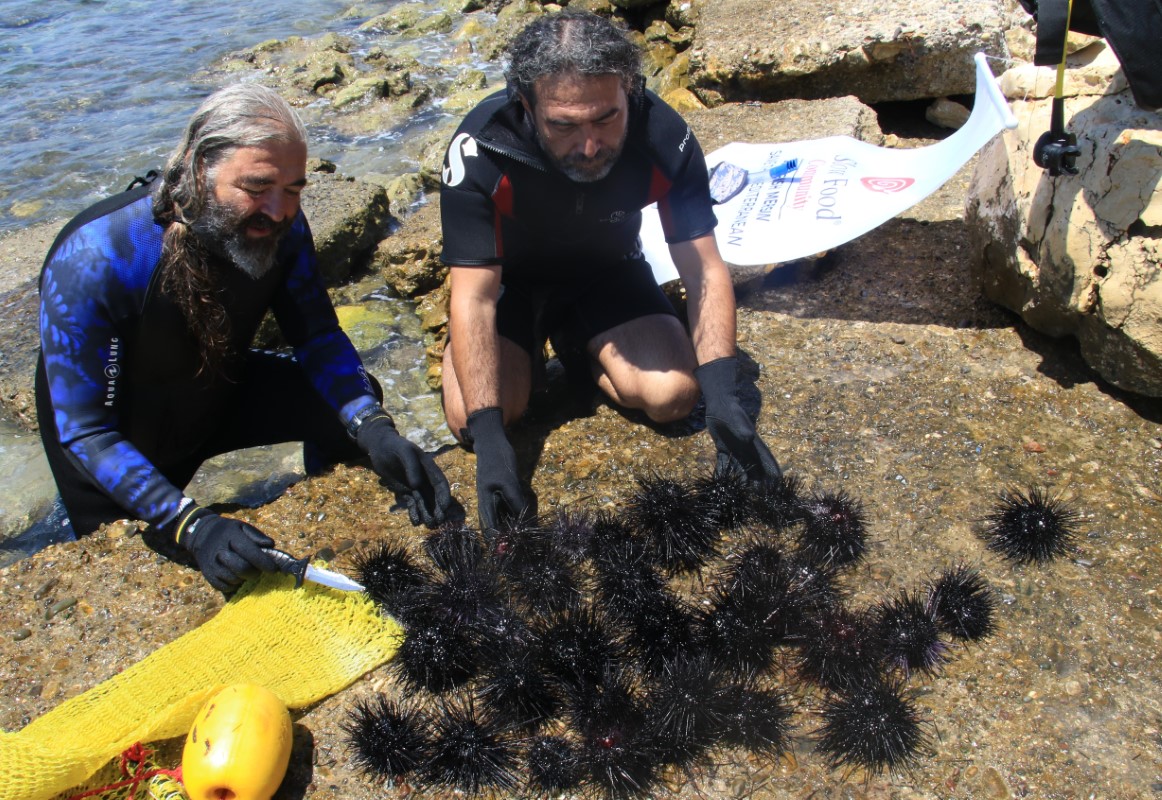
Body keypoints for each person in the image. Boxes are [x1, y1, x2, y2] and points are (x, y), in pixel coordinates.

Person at [36, 84, 454, 593]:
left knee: (352, 403)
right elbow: (86, 432)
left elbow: (318, 336)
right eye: (257, 188)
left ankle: (327, 493)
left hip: (216, 390)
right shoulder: (96, 256)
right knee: (113, 574)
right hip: (117, 430)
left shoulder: (285, 227)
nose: (278, 210)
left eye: (295, 189)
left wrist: (376, 430)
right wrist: (194, 524)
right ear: (197, 168)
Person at [438, 10, 781, 532]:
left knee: (673, 397)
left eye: (606, 117)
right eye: (564, 125)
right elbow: (473, 298)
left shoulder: (665, 135)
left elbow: (704, 269)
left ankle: (580, 343)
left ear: (631, 90)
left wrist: (725, 400)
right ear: (526, 105)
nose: (590, 145)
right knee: (472, 418)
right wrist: (491, 447)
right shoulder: (480, 147)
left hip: (606, 271)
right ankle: (529, 351)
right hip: (510, 284)